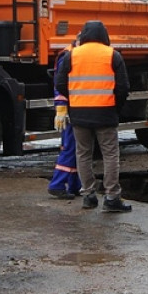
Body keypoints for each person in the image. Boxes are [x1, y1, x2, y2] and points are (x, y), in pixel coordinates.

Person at [54, 21, 131, 213]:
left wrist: (74, 100)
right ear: (104, 35)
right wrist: (115, 107)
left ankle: (88, 195)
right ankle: (112, 197)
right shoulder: (113, 55)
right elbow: (123, 87)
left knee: (83, 154)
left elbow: (60, 83)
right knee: (110, 154)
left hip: (79, 113)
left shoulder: (71, 55)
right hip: (106, 112)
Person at [47, 44, 82, 199]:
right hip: (72, 109)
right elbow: (60, 84)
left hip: (73, 108)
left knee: (75, 147)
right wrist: (61, 107)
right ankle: (57, 184)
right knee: (71, 147)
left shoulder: (70, 54)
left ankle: (74, 185)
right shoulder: (69, 56)